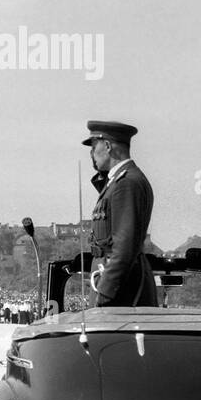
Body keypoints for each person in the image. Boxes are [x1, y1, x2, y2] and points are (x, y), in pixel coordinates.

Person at [83, 121, 157, 307]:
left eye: (93, 147)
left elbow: (124, 247)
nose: (91, 154)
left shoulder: (126, 183)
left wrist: (105, 293)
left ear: (107, 146)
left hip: (120, 290)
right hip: (115, 283)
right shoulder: (118, 181)